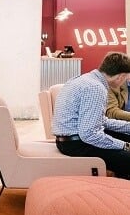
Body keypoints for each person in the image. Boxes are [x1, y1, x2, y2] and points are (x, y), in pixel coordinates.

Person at [52, 51, 130, 179]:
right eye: (126, 78)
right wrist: (124, 146)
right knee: (125, 147)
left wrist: (128, 127)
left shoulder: (84, 79)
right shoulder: (95, 88)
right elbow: (90, 134)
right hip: (76, 144)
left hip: (70, 140)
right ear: (120, 77)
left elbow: (100, 121)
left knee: (126, 138)